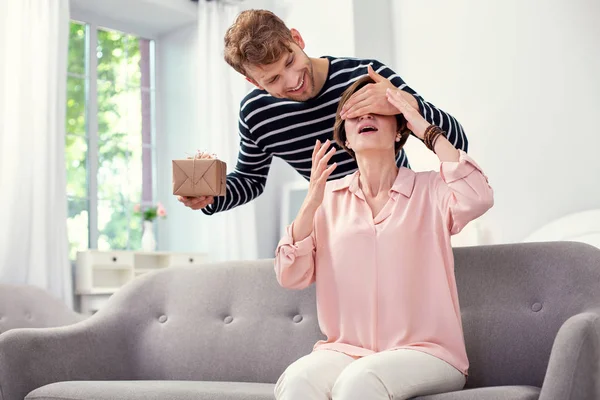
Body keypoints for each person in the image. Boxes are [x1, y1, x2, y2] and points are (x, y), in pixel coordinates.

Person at [273, 76, 494, 399]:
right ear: (345, 136)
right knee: (297, 380)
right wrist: (310, 204)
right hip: (346, 351)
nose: (365, 116)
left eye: (376, 109)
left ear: (399, 129)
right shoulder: (327, 199)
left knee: (360, 381)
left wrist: (425, 128)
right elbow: (290, 275)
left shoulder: (432, 190)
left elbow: (479, 196)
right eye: (355, 112)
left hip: (427, 352)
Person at [177, 9, 469, 214]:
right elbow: (251, 181)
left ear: (297, 39)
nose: (292, 82)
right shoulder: (257, 114)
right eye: (273, 79)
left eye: (290, 61)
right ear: (253, 82)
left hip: (403, 212)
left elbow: (458, 145)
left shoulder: (365, 76)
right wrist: (211, 192)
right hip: (338, 224)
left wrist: (406, 105)